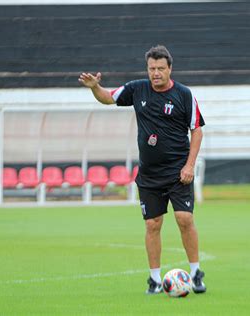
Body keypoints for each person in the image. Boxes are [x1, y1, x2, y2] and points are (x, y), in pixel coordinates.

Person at [79, 45, 207, 294]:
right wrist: (95, 86)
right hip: (149, 174)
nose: (156, 73)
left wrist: (189, 165)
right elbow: (108, 97)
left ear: (170, 68)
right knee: (152, 225)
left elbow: (197, 130)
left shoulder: (184, 95)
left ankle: (195, 273)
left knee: (185, 218)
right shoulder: (137, 89)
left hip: (178, 171)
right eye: (151, 69)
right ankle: (155, 279)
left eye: (160, 68)